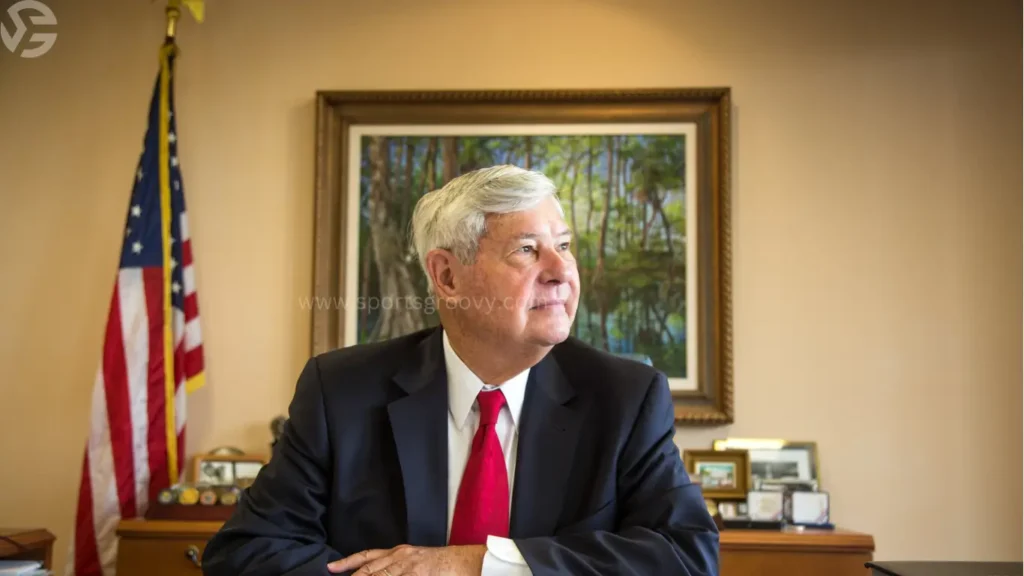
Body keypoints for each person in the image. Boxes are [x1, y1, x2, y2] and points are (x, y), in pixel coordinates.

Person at [201, 165, 719, 576]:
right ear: (447, 276)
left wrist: (480, 564)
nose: (562, 272)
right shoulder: (341, 391)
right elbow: (247, 552)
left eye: (563, 246)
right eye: (527, 250)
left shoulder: (625, 398)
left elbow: (686, 557)